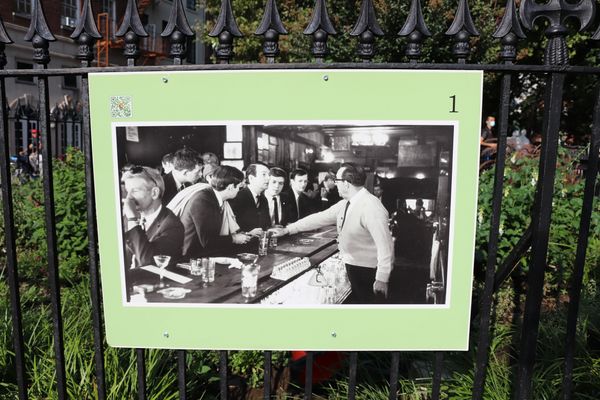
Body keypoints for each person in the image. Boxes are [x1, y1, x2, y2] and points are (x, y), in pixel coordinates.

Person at [273, 163, 394, 304]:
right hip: (353, 267)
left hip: (367, 272)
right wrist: (289, 229)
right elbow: (319, 218)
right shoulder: (347, 203)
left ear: (346, 184)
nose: (335, 184)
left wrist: (382, 278)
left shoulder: (371, 206)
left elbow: (386, 246)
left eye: (337, 181)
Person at [177, 166, 251, 258]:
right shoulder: (203, 201)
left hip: (204, 254)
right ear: (231, 187)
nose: (239, 191)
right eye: (239, 188)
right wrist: (234, 238)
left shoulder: (213, 196)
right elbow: (208, 242)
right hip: (190, 258)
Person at [121, 166, 184, 269]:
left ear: (154, 193)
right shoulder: (126, 218)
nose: (128, 198)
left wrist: (132, 220)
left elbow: (147, 262)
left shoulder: (172, 226)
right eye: (128, 191)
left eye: (135, 191)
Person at [230, 162, 271, 234]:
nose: (268, 178)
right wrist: (248, 233)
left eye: (269, 175)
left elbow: (266, 224)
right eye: (264, 174)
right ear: (251, 178)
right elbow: (231, 228)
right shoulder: (237, 197)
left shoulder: (263, 198)